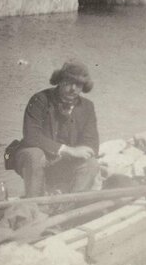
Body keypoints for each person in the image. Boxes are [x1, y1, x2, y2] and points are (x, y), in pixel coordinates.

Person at [14, 59, 100, 198]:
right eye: (68, 82)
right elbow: (31, 136)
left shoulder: (87, 107)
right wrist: (67, 150)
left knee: (91, 163)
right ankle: (35, 204)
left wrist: (83, 150)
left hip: (66, 162)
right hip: (38, 158)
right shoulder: (39, 99)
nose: (73, 89)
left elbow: (92, 143)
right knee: (35, 155)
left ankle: (71, 205)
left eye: (78, 84)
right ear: (59, 80)